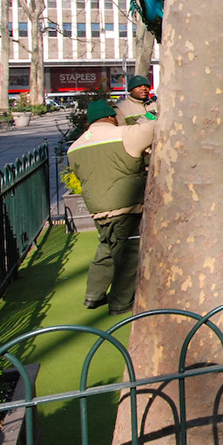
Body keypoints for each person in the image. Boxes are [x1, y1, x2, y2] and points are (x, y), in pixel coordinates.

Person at [67, 99, 156, 315]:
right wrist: (152, 114)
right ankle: (120, 302)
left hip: (97, 207)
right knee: (130, 252)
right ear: (110, 117)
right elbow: (154, 127)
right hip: (125, 204)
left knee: (106, 247)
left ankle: (93, 295)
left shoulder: (74, 148)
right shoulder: (125, 134)